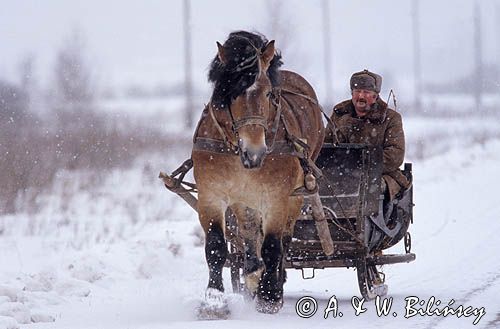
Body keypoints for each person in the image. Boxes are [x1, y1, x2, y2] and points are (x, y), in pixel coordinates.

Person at [325, 69, 411, 201]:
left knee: (367, 188)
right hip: (340, 175)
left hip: (382, 175)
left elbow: (395, 155)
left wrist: (361, 165)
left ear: (375, 96)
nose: (361, 96)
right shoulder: (339, 114)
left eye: (366, 92)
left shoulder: (391, 118)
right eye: (357, 91)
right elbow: (326, 145)